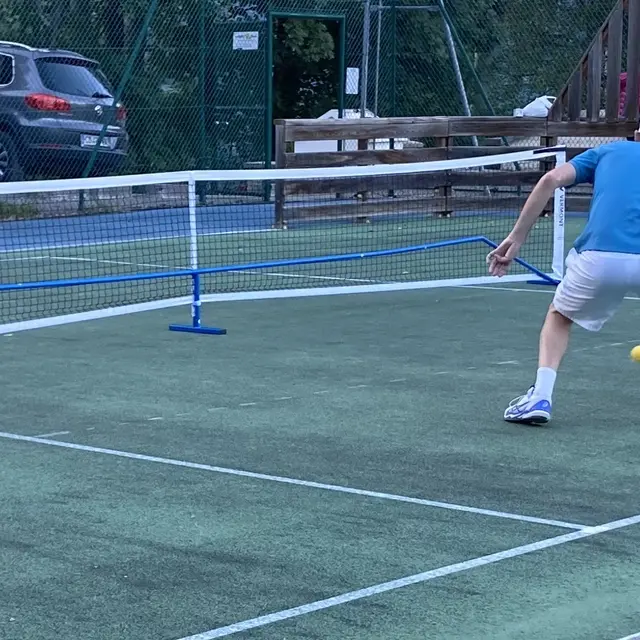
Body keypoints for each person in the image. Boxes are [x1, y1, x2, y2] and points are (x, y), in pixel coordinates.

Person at [487, 120, 640, 425]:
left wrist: (516, 238)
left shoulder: (608, 151)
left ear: (637, 132)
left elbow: (550, 179)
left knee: (559, 316)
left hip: (598, 258)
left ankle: (540, 397)